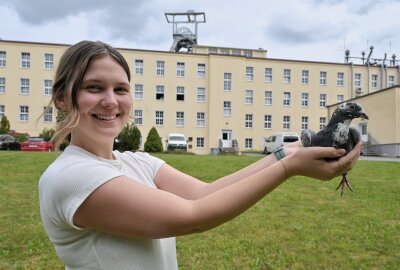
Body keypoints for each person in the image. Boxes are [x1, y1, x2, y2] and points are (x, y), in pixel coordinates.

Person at [39, 40, 362, 269]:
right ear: (62, 99)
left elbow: (206, 192)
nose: (111, 101)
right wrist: (289, 167)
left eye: (121, 89)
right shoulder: (71, 177)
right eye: (94, 88)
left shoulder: (136, 161)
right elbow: (194, 216)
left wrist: (288, 151)